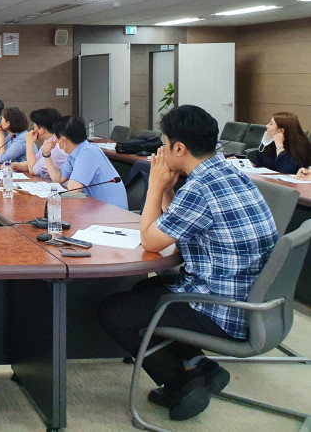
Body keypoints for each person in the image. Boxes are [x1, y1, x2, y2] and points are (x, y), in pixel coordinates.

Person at [98, 105, 278, 422]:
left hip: (223, 310)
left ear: (179, 148)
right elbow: (179, 231)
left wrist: (155, 187)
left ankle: (182, 384)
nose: (162, 150)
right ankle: (197, 365)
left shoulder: (199, 187)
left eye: (164, 144)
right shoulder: (228, 172)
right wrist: (169, 191)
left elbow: (151, 241)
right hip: (252, 301)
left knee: (113, 312)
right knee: (144, 289)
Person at [44, 115, 127, 209]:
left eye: (55, 137)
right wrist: (46, 155)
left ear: (63, 140)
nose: (54, 141)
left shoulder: (88, 152)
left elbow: (74, 190)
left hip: (112, 212)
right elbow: (58, 179)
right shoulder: (76, 153)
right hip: (97, 208)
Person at [12, 108, 68, 177]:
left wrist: (29, 143)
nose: (33, 130)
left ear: (41, 130)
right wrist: (14, 165)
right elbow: (34, 163)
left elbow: (32, 170)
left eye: (34, 127)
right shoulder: (49, 141)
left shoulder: (57, 146)